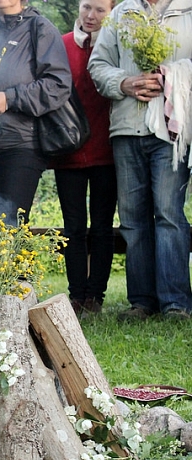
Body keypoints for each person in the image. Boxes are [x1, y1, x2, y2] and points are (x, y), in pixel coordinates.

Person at [88, 0, 192, 320]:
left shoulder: (188, 10)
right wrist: (125, 82)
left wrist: (172, 78)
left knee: (169, 214)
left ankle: (175, 303)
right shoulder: (121, 13)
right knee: (132, 220)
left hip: (170, 131)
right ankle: (142, 302)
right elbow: (98, 64)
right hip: (126, 128)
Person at [0, 0, 71, 223]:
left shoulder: (40, 29)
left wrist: (10, 98)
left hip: (20, 143)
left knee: (9, 228)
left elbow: (58, 85)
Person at [50, 0, 117, 317]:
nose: (91, 16)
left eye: (100, 10)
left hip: (107, 150)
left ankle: (96, 297)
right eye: (86, 7)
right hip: (69, 151)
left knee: (103, 227)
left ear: (111, 12)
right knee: (73, 227)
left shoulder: (117, 47)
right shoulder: (60, 45)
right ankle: (77, 295)